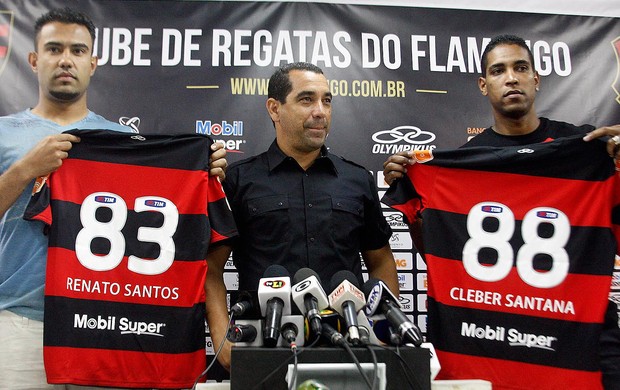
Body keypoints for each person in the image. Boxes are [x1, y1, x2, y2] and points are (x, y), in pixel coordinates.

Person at [0, 7, 227, 389]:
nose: (65, 59)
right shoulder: (5, 132)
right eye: (54, 49)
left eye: (77, 50)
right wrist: (25, 169)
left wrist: (201, 170)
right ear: (34, 60)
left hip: (101, 323)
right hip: (20, 318)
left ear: (93, 63)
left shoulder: (121, 141)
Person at [382, 34, 620, 389]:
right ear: (484, 84)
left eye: (520, 67)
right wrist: (413, 193)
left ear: (535, 79)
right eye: (498, 70)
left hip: (583, 338)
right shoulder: (461, 163)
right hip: (494, 341)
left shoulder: (590, 150)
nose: (511, 78)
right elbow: (439, 253)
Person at [205, 62, 400, 370]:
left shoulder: (357, 179)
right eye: (306, 99)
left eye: (327, 100)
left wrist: (383, 329)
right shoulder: (238, 180)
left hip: (348, 349)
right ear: (274, 108)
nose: (320, 111)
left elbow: (381, 261)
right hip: (262, 348)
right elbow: (211, 268)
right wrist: (221, 340)